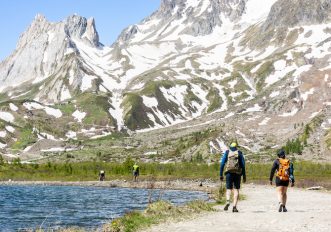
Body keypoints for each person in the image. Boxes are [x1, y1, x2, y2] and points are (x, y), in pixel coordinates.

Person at [220, 142, 246, 212]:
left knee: (228, 189)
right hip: (237, 174)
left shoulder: (227, 152)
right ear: (236, 147)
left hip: (229, 173)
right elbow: (243, 165)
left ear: (230, 147)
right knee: (236, 190)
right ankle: (234, 207)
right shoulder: (239, 153)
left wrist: (221, 175)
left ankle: (228, 201)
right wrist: (244, 176)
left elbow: (222, 164)